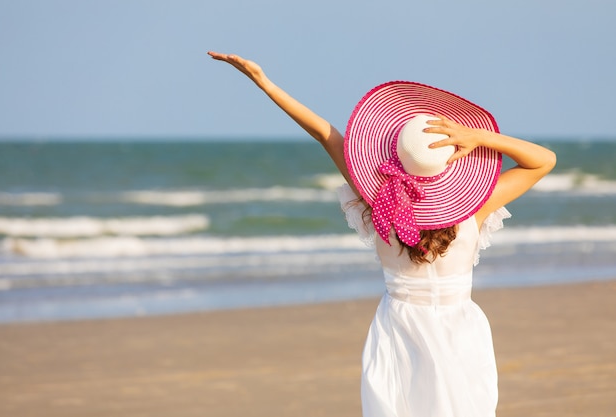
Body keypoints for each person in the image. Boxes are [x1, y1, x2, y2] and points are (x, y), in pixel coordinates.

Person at [208, 51, 556, 417]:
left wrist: (265, 83)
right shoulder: (475, 207)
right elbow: (543, 159)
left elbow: (324, 133)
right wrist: (480, 137)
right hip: (460, 333)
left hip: (398, 332)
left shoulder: (377, 197)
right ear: (452, 163)